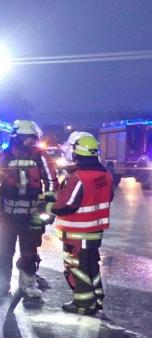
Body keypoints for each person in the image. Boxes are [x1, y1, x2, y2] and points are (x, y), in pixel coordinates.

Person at [0, 120, 58, 306]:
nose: (29, 142)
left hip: (30, 214)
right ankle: (1, 287)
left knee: (29, 252)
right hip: (8, 215)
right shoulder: (5, 156)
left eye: (31, 138)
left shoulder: (40, 156)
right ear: (16, 137)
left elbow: (51, 180)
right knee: (4, 252)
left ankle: (28, 285)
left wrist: (49, 203)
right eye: (25, 138)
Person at [48, 133, 114, 315]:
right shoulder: (105, 174)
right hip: (95, 231)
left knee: (77, 267)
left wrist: (48, 206)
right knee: (92, 265)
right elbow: (109, 198)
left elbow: (67, 205)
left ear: (77, 153)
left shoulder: (78, 177)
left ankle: (83, 304)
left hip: (77, 232)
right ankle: (96, 299)